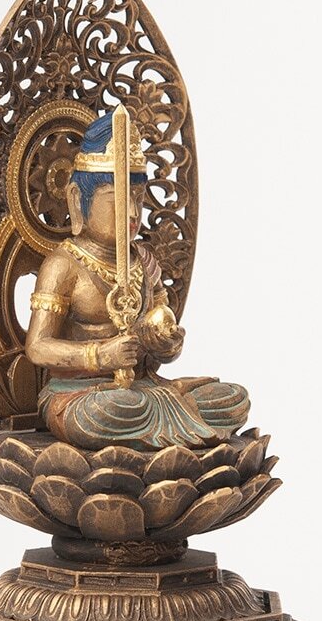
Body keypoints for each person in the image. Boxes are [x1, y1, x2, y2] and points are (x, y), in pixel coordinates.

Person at [24, 112, 249, 451]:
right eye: (117, 200)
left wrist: (164, 343)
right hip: (82, 395)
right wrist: (101, 356)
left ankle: (165, 427)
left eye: (139, 198)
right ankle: (172, 430)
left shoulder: (143, 260)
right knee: (106, 412)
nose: (132, 213)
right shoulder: (64, 265)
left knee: (232, 398)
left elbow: (158, 333)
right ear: (77, 200)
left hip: (143, 388)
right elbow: (38, 346)